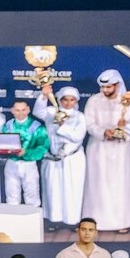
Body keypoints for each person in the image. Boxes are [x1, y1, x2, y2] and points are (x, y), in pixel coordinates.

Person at [82, 70, 130, 232]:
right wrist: (103, 132)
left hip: (121, 150)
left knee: (120, 185)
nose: (106, 91)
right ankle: (96, 221)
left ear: (117, 85)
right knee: (98, 185)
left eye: (109, 87)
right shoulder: (93, 101)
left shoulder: (128, 103)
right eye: (103, 88)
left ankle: (122, 222)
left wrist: (123, 129)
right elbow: (89, 124)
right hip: (98, 149)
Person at [41, 84, 88, 227]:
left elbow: (78, 136)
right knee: (53, 190)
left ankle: (73, 221)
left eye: (71, 100)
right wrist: (44, 95)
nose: (68, 103)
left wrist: (62, 125)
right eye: (65, 99)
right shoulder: (51, 112)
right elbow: (38, 111)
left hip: (72, 158)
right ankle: (53, 221)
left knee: (73, 190)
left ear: (76, 101)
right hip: (53, 158)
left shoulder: (79, 116)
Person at [4, 98, 46, 208]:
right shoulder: (8, 125)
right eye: (17, 110)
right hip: (12, 163)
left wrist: (26, 152)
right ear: (12, 110)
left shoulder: (37, 126)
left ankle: (33, 223)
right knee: (11, 195)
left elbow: (43, 147)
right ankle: (12, 222)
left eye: (23, 110)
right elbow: (3, 143)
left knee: (32, 195)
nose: (20, 113)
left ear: (28, 110)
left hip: (29, 164)